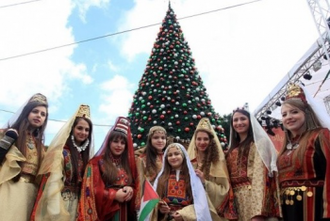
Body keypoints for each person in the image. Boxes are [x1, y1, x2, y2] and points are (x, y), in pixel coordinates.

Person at [31, 104, 94, 221]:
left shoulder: (86, 158)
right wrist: (56, 212)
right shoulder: (60, 153)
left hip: (78, 207)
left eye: (87, 130)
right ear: (72, 129)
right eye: (79, 128)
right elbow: (52, 184)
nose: (83, 132)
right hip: (60, 204)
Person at [277, 83, 330, 221]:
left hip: (315, 208)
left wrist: (328, 212)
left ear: (306, 113)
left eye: (294, 112)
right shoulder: (284, 148)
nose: (288, 117)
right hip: (289, 210)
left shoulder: (320, 135)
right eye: (284, 114)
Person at [77, 116, 137, 221]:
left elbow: (135, 185)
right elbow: (90, 189)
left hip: (126, 213)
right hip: (106, 213)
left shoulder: (127, 164)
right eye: (115, 141)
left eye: (123, 143)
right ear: (109, 142)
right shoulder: (96, 163)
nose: (119, 145)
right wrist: (114, 195)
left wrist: (131, 189)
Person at [0, 93, 49, 221]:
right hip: (11, 188)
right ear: (26, 112)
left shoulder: (42, 148)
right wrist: (8, 139)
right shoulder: (9, 133)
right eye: (35, 111)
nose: (39, 115)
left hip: (31, 194)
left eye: (43, 114)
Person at [226, 106, 280, 220]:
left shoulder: (259, 144)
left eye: (243, 119)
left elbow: (260, 177)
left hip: (253, 196)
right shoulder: (231, 150)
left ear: (250, 121)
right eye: (235, 120)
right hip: (235, 200)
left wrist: (258, 212)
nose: (239, 122)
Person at [151, 142, 222, 221]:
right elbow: (155, 201)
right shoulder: (161, 178)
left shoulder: (193, 177)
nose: (173, 157)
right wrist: (160, 209)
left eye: (177, 154)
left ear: (183, 156)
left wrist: (184, 214)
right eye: (170, 155)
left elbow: (201, 202)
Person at [187, 117, 232, 219]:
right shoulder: (190, 162)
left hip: (211, 212)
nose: (202, 142)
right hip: (191, 210)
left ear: (211, 141)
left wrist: (205, 182)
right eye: (199, 139)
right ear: (195, 140)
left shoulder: (217, 163)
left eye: (206, 139)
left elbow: (224, 190)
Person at [135, 126, 167, 210]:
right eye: (156, 138)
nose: (160, 140)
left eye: (163, 138)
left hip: (167, 199)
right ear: (150, 140)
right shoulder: (142, 159)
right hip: (149, 200)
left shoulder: (169, 157)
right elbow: (140, 182)